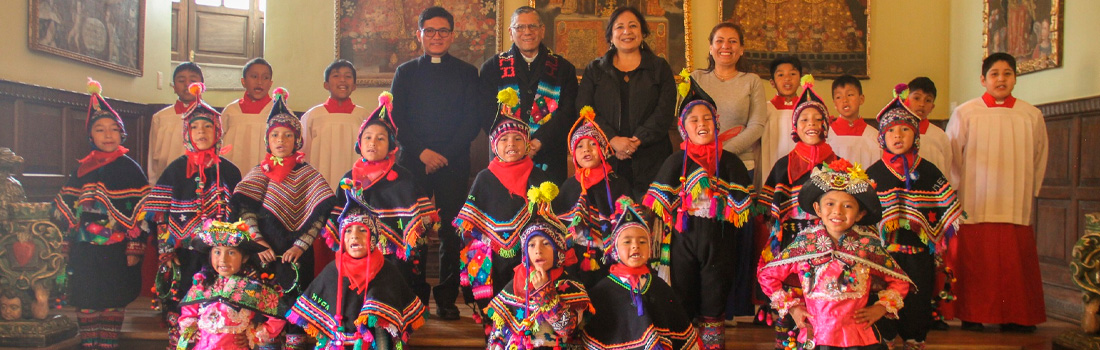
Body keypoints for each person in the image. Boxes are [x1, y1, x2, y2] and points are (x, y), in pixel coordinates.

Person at [643, 78, 752, 349]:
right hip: (683, 239)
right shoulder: (674, 162)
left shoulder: (730, 162)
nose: (701, 124)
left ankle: (712, 345)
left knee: (715, 295)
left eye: (707, 119)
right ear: (683, 128)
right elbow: (656, 205)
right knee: (682, 293)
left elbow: (742, 209)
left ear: (716, 123)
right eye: (693, 120)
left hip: (720, 240)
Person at [758, 159, 912, 350]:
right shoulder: (805, 244)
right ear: (817, 209)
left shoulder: (867, 246)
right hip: (816, 334)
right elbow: (767, 275)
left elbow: (900, 281)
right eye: (830, 204)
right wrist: (793, 308)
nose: (837, 212)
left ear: (860, 214)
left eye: (847, 206)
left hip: (858, 336)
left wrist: (880, 307)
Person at [945, 52, 1048, 333]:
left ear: (1015, 77)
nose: (1001, 79)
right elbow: (953, 156)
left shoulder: (1031, 115)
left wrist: (1031, 189)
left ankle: (1018, 316)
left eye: (1007, 73)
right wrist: (955, 193)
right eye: (994, 74)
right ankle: (972, 314)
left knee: (1015, 260)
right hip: (976, 198)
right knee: (977, 260)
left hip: (1016, 197)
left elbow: (1039, 156)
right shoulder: (966, 112)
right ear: (983, 79)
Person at [390, 6, 482, 320]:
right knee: (413, 231)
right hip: (413, 162)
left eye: (443, 31)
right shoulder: (405, 72)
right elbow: (397, 119)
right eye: (430, 31)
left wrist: (442, 156)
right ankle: (413, 297)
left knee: (451, 233)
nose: (437, 36)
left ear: (452, 35)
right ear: (420, 35)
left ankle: (445, 299)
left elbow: (471, 121)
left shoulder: (468, 72)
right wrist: (422, 154)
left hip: (454, 163)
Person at [230, 88, 336, 350]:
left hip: (296, 255)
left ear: (297, 140)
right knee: (264, 305)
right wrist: (258, 242)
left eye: (288, 135)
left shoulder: (308, 174)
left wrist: (300, 245)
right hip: (264, 253)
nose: (281, 140)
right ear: (268, 139)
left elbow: (319, 216)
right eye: (275, 135)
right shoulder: (259, 173)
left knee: (295, 305)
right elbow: (247, 210)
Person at [142, 83, 243, 349]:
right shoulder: (175, 170)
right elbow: (159, 215)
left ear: (218, 131)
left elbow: (240, 214)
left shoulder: (230, 172)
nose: (201, 132)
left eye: (208, 127)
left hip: (221, 257)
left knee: (217, 304)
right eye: (195, 128)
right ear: (187, 133)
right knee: (184, 304)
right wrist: (166, 250)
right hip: (183, 255)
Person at [53, 79, 150, 350]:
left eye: (113, 130)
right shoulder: (81, 169)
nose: (108, 135)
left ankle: (108, 343)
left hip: (118, 251)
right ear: (91, 136)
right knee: (85, 295)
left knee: (113, 297)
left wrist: (135, 245)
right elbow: (67, 209)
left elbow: (143, 212)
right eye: (100, 129)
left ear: (122, 134)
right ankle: (88, 342)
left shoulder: (131, 169)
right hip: (85, 250)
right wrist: (65, 244)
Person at [866, 84, 963, 350]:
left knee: (918, 298)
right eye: (891, 131)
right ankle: (885, 339)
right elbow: (861, 212)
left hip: (919, 253)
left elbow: (948, 207)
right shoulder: (873, 173)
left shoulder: (928, 171)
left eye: (905, 130)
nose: (898, 136)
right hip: (884, 255)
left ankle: (914, 339)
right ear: (882, 137)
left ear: (916, 135)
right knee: (881, 295)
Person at [324, 91, 439, 307]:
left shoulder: (403, 177)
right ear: (359, 142)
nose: (373, 143)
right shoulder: (349, 179)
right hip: (359, 249)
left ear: (391, 145)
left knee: (401, 270)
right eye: (368, 137)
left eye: (380, 138)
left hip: (396, 253)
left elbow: (422, 218)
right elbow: (338, 219)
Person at [690, 22, 767, 322]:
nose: (726, 46)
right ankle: (700, 308)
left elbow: (757, 124)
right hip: (700, 171)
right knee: (701, 241)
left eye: (733, 41)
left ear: (741, 48)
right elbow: (685, 119)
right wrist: (708, 154)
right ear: (710, 47)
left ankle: (732, 308)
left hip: (738, 169)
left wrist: (724, 152)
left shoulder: (751, 81)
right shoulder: (695, 78)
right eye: (719, 41)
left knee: (733, 240)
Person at [455, 89, 553, 323]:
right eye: (504, 140)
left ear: (528, 143)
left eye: (518, 138)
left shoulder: (538, 177)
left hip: (527, 256)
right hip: (492, 256)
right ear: (494, 146)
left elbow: (548, 221)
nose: (512, 144)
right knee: (496, 311)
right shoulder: (484, 178)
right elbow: (470, 223)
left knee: (525, 309)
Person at [757, 75, 838, 349]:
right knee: (791, 306)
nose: (811, 125)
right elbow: (770, 210)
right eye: (804, 120)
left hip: (829, 246)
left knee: (825, 303)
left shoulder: (839, 166)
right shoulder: (783, 165)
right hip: (791, 242)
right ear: (795, 127)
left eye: (817, 120)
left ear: (825, 126)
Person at [576, 6, 677, 199]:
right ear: (611, 36)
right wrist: (612, 140)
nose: (626, 32)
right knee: (608, 220)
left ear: (642, 32)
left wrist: (636, 140)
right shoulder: (595, 69)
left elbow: (664, 112)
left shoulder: (659, 68)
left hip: (652, 160)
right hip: (606, 160)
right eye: (619, 27)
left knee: (649, 221)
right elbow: (584, 110)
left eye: (633, 26)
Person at [287, 214, 426, 349]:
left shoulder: (387, 270)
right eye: (348, 231)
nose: (354, 236)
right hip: (339, 342)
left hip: (375, 342)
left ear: (373, 237)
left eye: (362, 230)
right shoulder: (333, 270)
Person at [581, 197, 700, 350]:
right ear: (615, 250)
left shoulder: (659, 287)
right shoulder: (602, 291)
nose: (636, 246)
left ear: (650, 248)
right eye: (627, 242)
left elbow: (678, 325)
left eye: (642, 242)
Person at [479, 6, 578, 183]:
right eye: (520, 27)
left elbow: (568, 113)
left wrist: (538, 142)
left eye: (533, 26)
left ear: (542, 31)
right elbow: (485, 112)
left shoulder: (564, 69)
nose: (527, 32)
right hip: (504, 155)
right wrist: (513, 143)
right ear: (511, 32)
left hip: (549, 156)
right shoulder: (492, 68)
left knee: (546, 208)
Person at [484, 204, 590, 349]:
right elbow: (499, 333)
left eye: (546, 243)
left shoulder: (570, 286)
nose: (538, 251)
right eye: (531, 245)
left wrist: (544, 291)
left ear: (558, 250)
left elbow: (566, 328)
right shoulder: (514, 286)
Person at [551, 106, 632, 287]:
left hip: (607, 254)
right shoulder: (570, 185)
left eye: (592, 144)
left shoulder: (618, 183)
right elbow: (560, 223)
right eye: (579, 146)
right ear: (573, 155)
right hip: (575, 254)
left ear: (603, 149)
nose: (586, 150)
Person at [175, 220, 285, 350]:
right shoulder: (202, 283)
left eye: (231, 252)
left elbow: (277, 317)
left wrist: (253, 335)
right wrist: (191, 331)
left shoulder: (251, 287)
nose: (223, 259)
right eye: (217, 252)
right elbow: (188, 312)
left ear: (244, 258)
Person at [300, 59, 370, 191]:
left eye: (348, 76)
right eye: (336, 76)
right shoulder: (313, 115)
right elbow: (303, 152)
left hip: (354, 181)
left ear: (354, 85)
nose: (342, 80)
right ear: (326, 85)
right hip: (319, 182)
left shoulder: (363, 116)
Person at [148, 62, 203, 183]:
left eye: (193, 80)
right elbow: (153, 157)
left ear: (201, 86)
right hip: (167, 180)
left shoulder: (211, 116)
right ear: (174, 87)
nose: (187, 84)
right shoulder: (161, 117)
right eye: (181, 80)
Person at [221, 58, 276, 170]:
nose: (259, 82)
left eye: (265, 78)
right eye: (254, 76)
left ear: (270, 83)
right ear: (243, 81)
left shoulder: (277, 111)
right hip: (234, 170)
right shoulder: (231, 111)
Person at [759, 56, 802, 184]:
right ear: (772, 82)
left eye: (793, 74)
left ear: (800, 79)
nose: (787, 78)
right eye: (781, 75)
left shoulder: (807, 110)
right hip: (771, 162)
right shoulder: (765, 109)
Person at [827, 75, 879, 167]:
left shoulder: (874, 136)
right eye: (839, 97)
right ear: (834, 103)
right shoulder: (827, 135)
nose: (845, 100)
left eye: (850, 95)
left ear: (861, 99)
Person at [903, 77, 952, 177]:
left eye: (928, 100)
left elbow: (947, 167)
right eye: (917, 98)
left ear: (932, 107)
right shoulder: (896, 133)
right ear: (906, 100)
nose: (922, 104)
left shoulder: (939, 136)